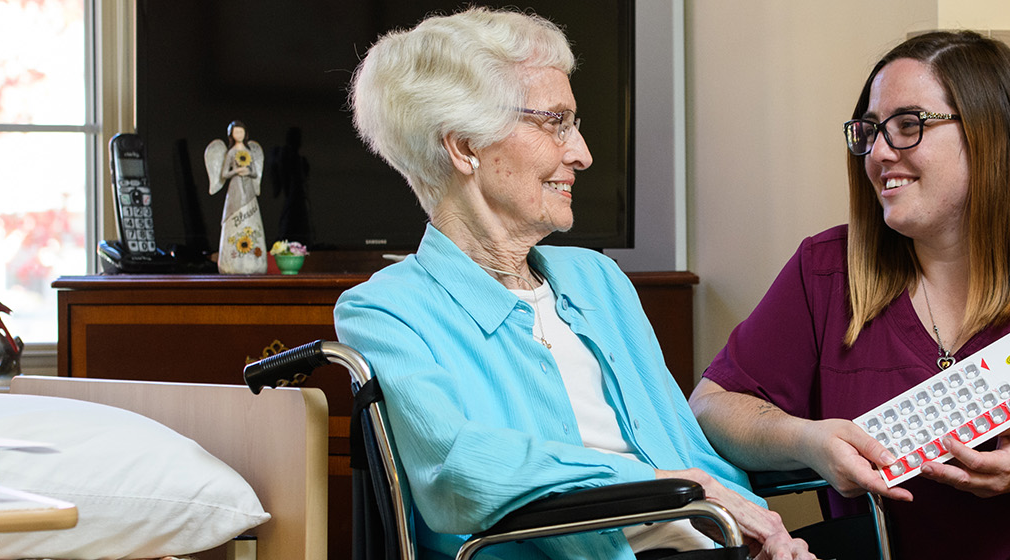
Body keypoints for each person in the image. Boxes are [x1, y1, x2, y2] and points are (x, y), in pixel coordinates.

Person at [689, 31, 1010, 559]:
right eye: (870, 131)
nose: (879, 152)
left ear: (991, 135)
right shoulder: (825, 274)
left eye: (909, 126)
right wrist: (807, 440)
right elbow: (710, 408)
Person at [337, 8, 811, 560]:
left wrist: (765, 527)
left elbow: (685, 446)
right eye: (556, 122)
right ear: (464, 145)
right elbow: (457, 473)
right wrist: (661, 484)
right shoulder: (386, 311)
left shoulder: (598, 280)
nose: (582, 154)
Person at [204, 121, 265, 274]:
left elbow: (255, 172)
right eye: (236, 132)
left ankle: (254, 261)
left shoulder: (249, 151)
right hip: (235, 189)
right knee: (234, 218)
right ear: (231, 135)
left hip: (248, 190)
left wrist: (248, 171)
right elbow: (224, 174)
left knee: (250, 218)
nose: (239, 135)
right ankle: (231, 262)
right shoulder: (231, 153)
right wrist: (237, 171)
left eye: (241, 132)